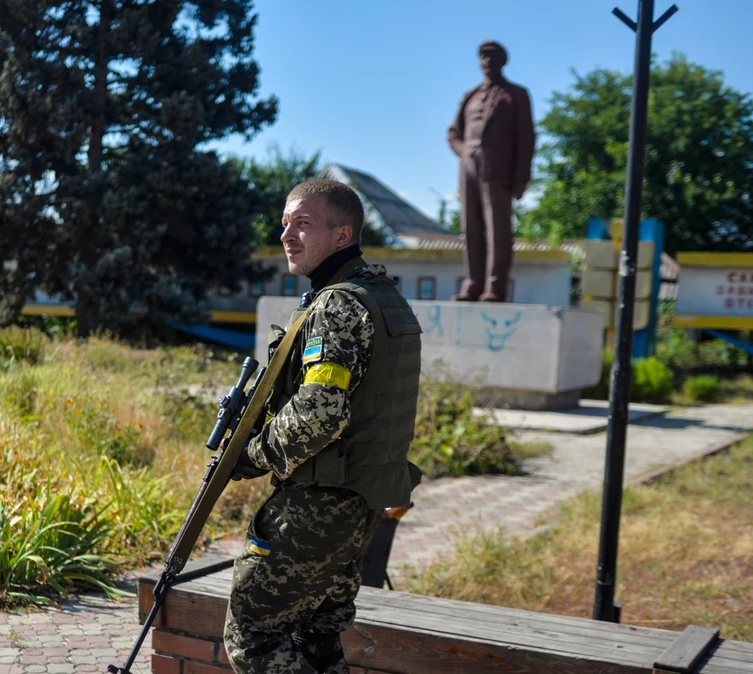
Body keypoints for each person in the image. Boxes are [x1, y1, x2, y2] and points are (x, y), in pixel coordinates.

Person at [223, 179, 424, 674]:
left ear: (342, 235)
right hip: (361, 504)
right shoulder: (384, 298)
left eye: (304, 224)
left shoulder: (338, 304)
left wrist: (250, 455)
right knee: (317, 639)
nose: (287, 235)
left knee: (253, 636)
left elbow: (320, 412)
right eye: (286, 223)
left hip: (319, 504)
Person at [447, 40, 536, 302]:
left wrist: (522, 176)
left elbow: (526, 137)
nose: (486, 61)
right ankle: (473, 283)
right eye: (482, 56)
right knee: (470, 226)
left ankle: (495, 286)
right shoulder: (470, 95)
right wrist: (464, 151)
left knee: (498, 230)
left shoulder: (516, 94)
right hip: (468, 167)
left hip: (498, 169)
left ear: (502, 61)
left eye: (492, 56)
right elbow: (453, 133)